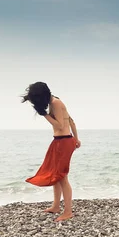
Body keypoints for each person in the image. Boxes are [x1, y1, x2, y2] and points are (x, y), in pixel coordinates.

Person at [21, 82, 81, 222]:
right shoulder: (56, 101)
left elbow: (60, 125)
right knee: (55, 174)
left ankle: (68, 211)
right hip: (61, 141)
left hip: (63, 141)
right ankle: (55, 206)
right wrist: (77, 139)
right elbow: (71, 121)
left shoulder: (55, 103)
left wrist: (44, 114)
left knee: (61, 176)